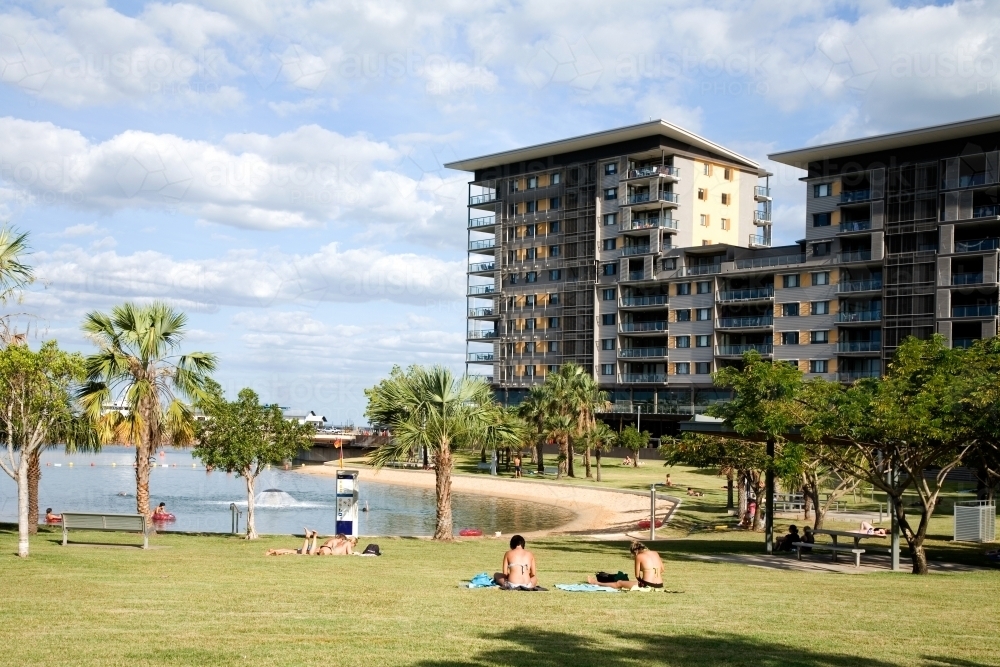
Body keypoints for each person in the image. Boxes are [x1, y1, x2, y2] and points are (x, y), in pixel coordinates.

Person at [588, 541, 664, 589]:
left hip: (647, 585)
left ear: (635, 552)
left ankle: (595, 582)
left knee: (619, 583)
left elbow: (637, 576)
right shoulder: (655, 553)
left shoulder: (639, 556)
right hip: (660, 585)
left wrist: (643, 581)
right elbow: (662, 569)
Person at [266, 530, 357, 556]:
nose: (349, 541)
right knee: (308, 553)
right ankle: (314, 536)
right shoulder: (338, 542)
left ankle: (274, 551)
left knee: (294, 551)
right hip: (320, 549)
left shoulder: (331, 540)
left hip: (316, 547)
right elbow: (334, 549)